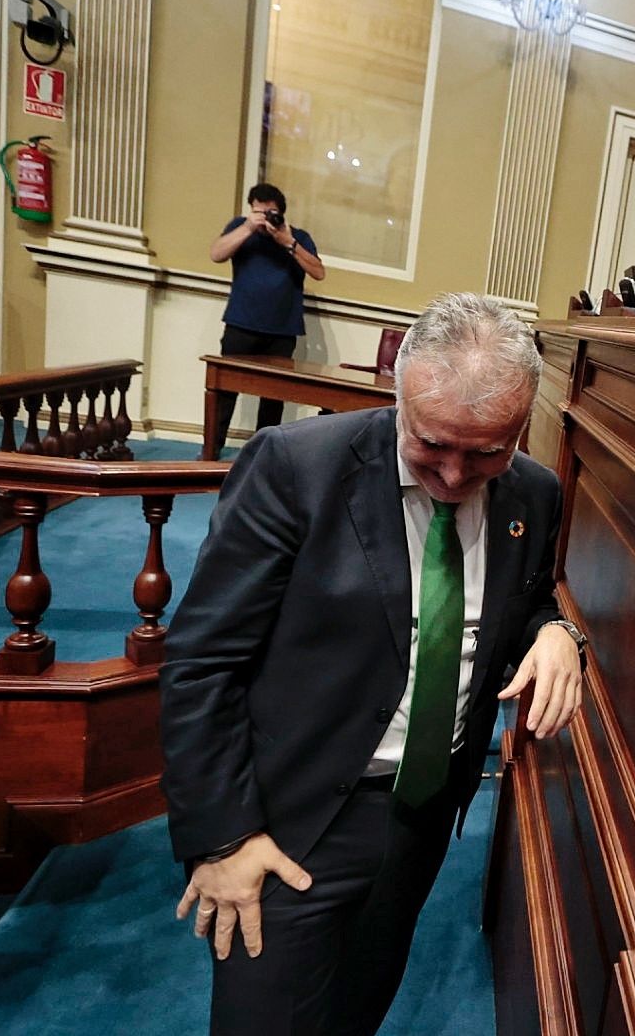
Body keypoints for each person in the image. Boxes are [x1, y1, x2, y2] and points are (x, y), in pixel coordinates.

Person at [160, 292, 586, 1035]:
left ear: (522, 427)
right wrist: (223, 838)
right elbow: (201, 660)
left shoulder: (535, 494)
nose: (455, 477)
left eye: (487, 451)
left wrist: (558, 633)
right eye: (432, 445)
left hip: (420, 813)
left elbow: (528, 600)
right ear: (399, 396)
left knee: (358, 1008)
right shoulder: (297, 467)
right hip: (293, 818)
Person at [207, 182, 326, 456]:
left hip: (282, 331)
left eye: (270, 213)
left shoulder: (298, 237)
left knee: (273, 398)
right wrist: (248, 227)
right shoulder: (241, 228)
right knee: (224, 392)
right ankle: (211, 450)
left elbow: (319, 272)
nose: (264, 219)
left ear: (281, 214)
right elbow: (216, 254)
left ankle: (262, 455)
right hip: (241, 324)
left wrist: (288, 242)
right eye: (258, 212)